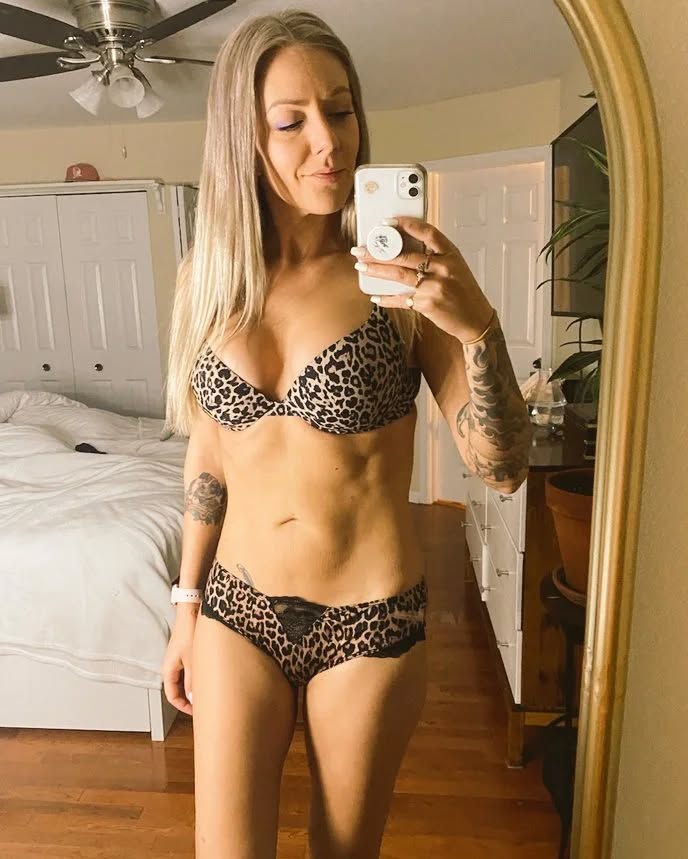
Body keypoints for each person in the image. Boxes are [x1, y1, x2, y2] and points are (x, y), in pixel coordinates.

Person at [161, 9, 532, 859]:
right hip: (236, 611)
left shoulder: (399, 279)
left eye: (341, 110)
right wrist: (185, 607)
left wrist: (479, 328)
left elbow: (502, 465)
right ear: (244, 139)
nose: (328, 142)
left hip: (367, 621)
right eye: (291, 122)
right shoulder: (209, 279)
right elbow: (212, 449)